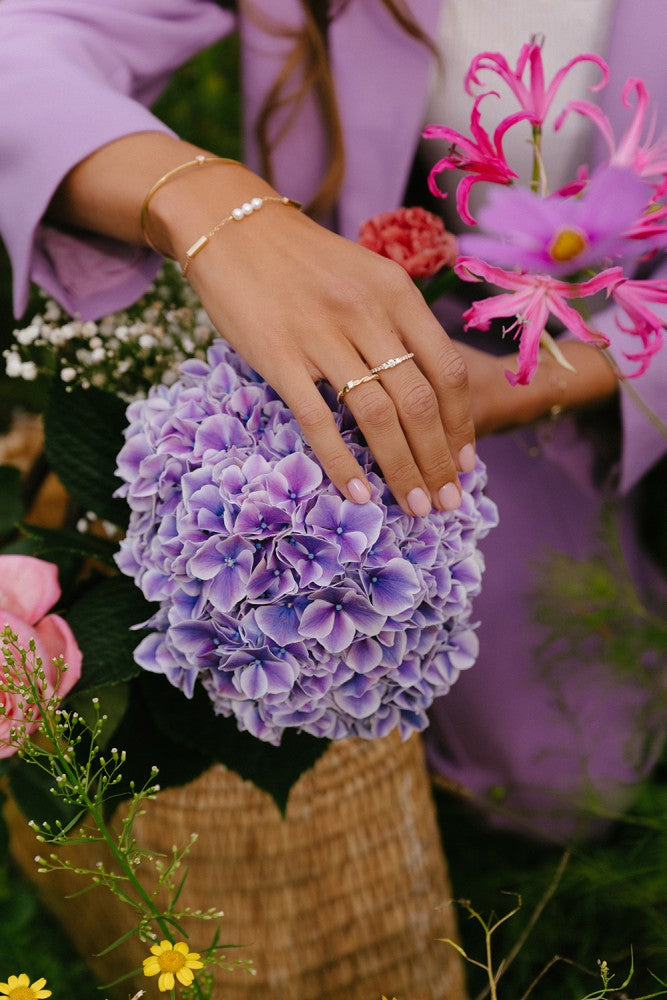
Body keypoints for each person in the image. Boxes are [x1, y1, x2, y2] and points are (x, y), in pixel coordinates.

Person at [0, 0, 665, 841]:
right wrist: (208, 204)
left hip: (584, 346)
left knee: (561, 784)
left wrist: (536, 383)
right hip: (325, 331)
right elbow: (21, 39)